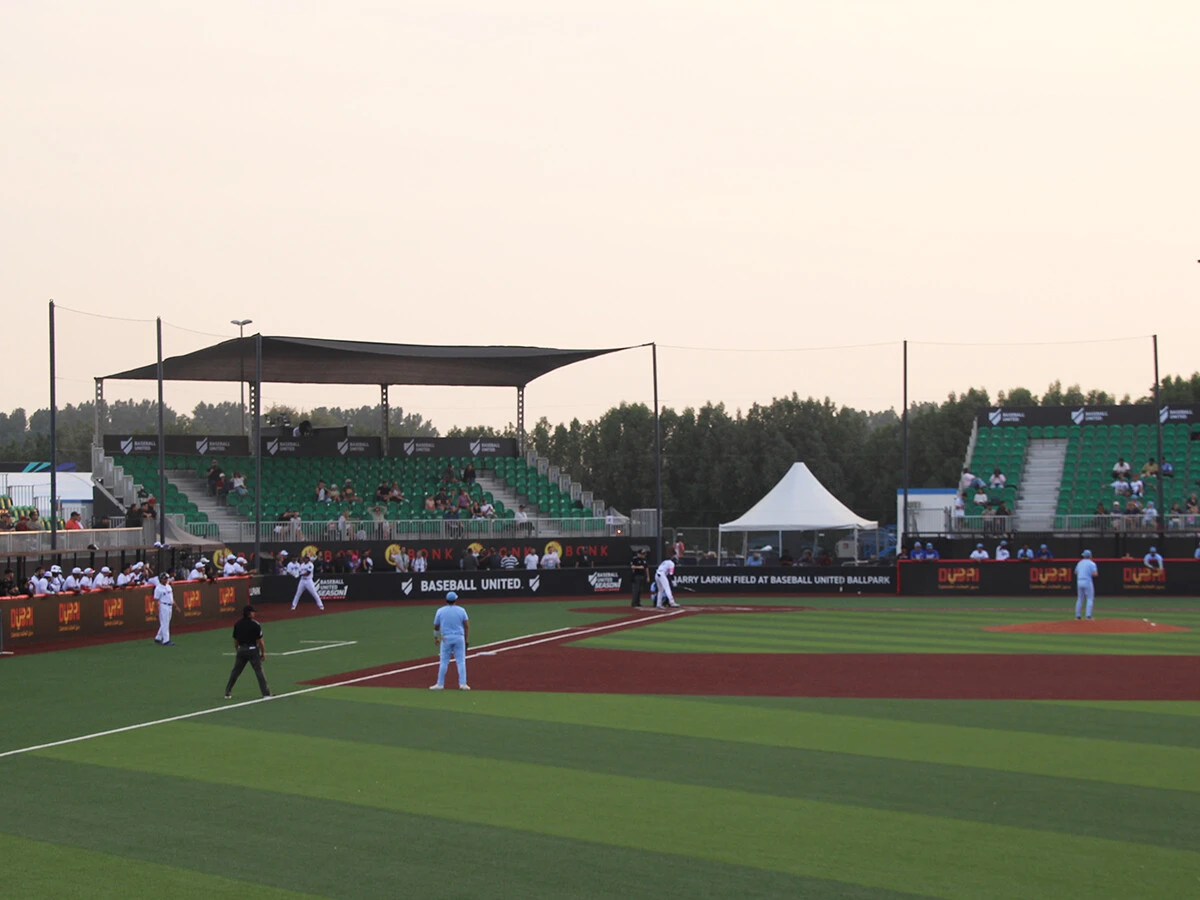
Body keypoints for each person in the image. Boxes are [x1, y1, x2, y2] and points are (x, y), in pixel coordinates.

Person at [225, 605, 271, 699]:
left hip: (241, 650)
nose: (254, 613)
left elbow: (235, 640)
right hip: (252, 650)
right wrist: (263, 653)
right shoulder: (255, 624)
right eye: (253, 612)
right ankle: (266, 693)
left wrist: (238, 650)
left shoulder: (238, 624)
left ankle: (228, 691)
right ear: (249, 613)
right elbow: (260, 641)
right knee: (259, 671)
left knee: (235, 672)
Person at [430, 591, 470, 690]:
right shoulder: (461, 610)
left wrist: (436, 638)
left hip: (446, 638)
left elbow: (436, 627)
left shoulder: (440, 611)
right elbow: (466, 626)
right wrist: (466, 640)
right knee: (461, 661)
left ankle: (440, 684)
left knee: (444, 662)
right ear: (455, 600)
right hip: (459, 637)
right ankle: (463, 684)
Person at [153, 571, 177, 645]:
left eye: (167, 578)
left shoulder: (168, 586)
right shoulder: (158, 588)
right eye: (164, 578)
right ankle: (166, 640)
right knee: (165, 623)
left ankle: (158, 637)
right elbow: (156, 600)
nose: (166, 580)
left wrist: (175, 605)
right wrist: (156, 611)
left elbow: (171, 597)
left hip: (169, 606)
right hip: (163, 606)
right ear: (160, 579)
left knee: (165, 622)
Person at [1074, 550, 1098, 620]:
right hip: (1087, 581)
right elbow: (1095, 574)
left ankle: (1078, 616)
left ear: (1083, 556)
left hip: (1079, 581)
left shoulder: (1079, 563)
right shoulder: (1092, 563)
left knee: (1080, 598)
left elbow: (1075, 572)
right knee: (1090, 598)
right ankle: (1088, 616)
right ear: (1090, 556)